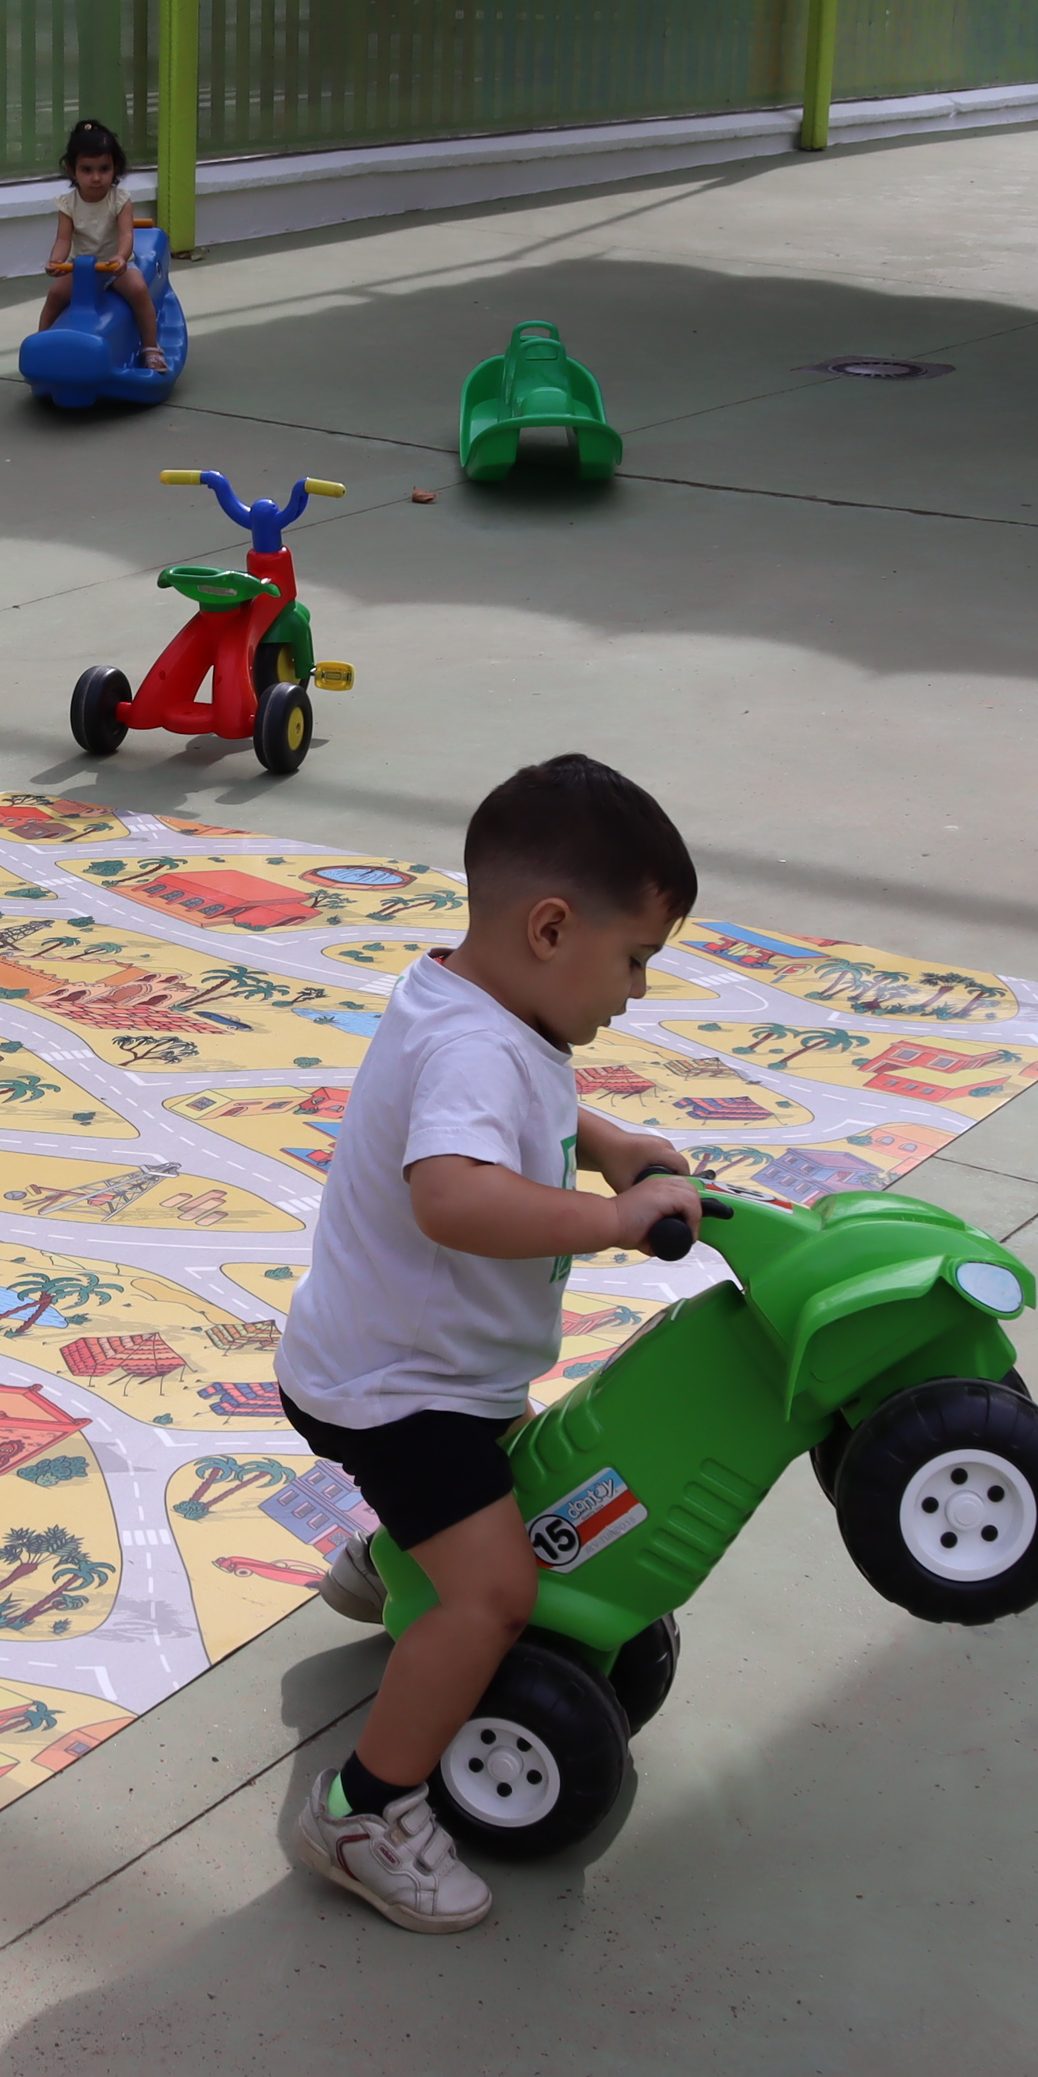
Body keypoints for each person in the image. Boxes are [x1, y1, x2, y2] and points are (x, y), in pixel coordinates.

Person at [279, 754, 705, 1931]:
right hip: (396, 1391)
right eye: (636, 961)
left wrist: (607, 1141)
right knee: (499, 1595)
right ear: (553, 927)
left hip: (412, 1362)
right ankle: (363, 1812)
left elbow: (538, 1098)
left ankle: (399, 1557)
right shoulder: (477, 1046)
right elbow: (453, 1195)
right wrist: (618, 1220)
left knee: (525, 1474)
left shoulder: (475, 1002)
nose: (638, 990)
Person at [38, 117, 165, 374]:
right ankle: (41, 344)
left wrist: (120, 257)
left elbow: (127, 235)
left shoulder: (120, 200)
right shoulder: (67, 203)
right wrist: (56, 261)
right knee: (55, 295)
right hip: (82, 268)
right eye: (87, 170)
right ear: (72, 170)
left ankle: (150, 347)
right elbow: (63, 239)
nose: (96, 178)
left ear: (115, 168)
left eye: (104, 169)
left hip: (113, 265)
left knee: (139, 290)